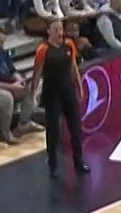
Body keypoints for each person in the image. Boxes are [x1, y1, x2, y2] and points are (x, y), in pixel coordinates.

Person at [32, 20, 89, 178]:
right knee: (54, 131)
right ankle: (53, 164)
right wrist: (33, 94)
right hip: (52, 94)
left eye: (61, 29)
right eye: (56, 29)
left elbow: (74, 68)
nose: (59, 32)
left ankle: (79, 161)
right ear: (49, 31)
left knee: (76, 128)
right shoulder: (43, 49)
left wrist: (80, 87)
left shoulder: (69, 45)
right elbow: (37, 73)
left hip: (68, 91)